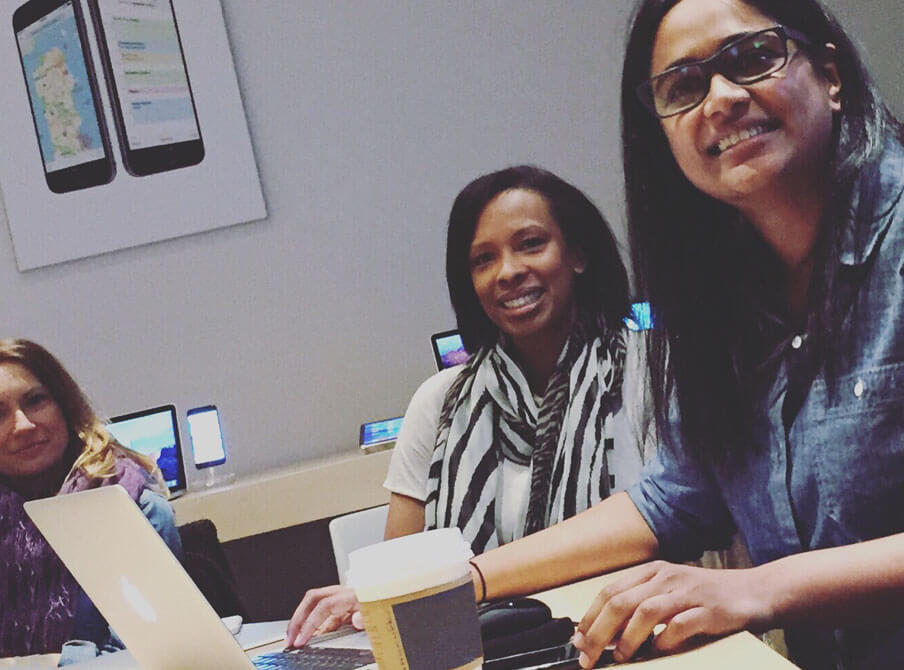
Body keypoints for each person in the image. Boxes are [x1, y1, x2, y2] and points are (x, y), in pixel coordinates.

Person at [465, 1, 904, 668]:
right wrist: (463, 582)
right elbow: (670, 500)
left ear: (831, 75)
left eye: (753, 57)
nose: (721, 99)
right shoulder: (723, 298)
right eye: (684, 86)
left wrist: (757, 589)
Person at [285, 165, 654, 647]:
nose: (507, 271)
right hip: (484, 654)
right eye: (483, 259)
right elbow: (403, 569)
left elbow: (651, 525)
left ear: (577, 254)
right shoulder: (442, 402)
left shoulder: (652, 372)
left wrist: (459, 578)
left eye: (530, 244)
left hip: (628, 643)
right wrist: (368, 596)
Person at [0, 338, 182, 658]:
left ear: (65, 405)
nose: (24, 425)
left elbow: (145, 653)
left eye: (36, 401)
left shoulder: (135, 509)